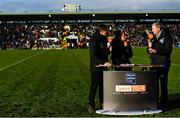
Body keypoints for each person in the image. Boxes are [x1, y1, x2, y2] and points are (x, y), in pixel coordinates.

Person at [147, 22, 173, 111]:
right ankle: (155, 102)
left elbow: (168, 50)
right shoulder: (153, 37)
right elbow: (150, 50)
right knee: (154, 84)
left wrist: (156, 51)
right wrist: (149, 47)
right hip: (154, 63)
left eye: (153, 28)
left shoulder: (167, 36)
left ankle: (164, 103)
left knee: (163, 84)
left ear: (158, 28)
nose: (152, 30)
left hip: (163, 64)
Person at [88, 25, 111, 113]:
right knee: (94, 86)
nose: (108, 32)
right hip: (96, 67)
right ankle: (91, 105)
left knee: (103, 86)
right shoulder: (94, 38)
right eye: (106, 31)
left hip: (104, 66)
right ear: (102, 31)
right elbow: (93, 55)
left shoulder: (104, 38)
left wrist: (109, 50)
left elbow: (104, 52)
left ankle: (102, 103)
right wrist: (103, 62)